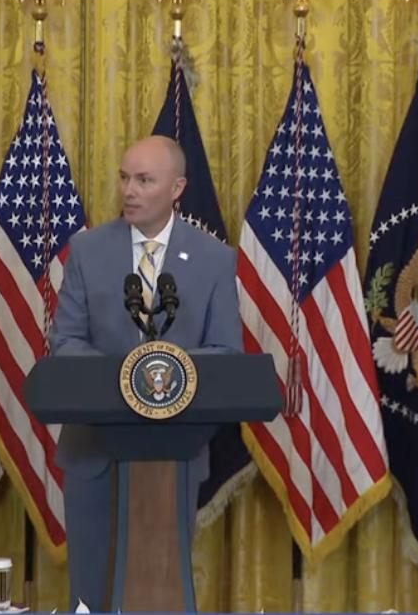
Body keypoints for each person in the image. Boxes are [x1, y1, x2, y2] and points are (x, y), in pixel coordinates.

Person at [49, 135, 243, 611]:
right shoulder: (89, 250)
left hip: (173, 454)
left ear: (177, 187)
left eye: (144, 180)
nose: (129, 191)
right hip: (94, 449)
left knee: (159, 589)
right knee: (92, 591)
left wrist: (165, 377)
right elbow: (65, 342)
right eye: (124, 178)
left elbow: (225, 352)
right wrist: (130, 379)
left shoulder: (214, 259)